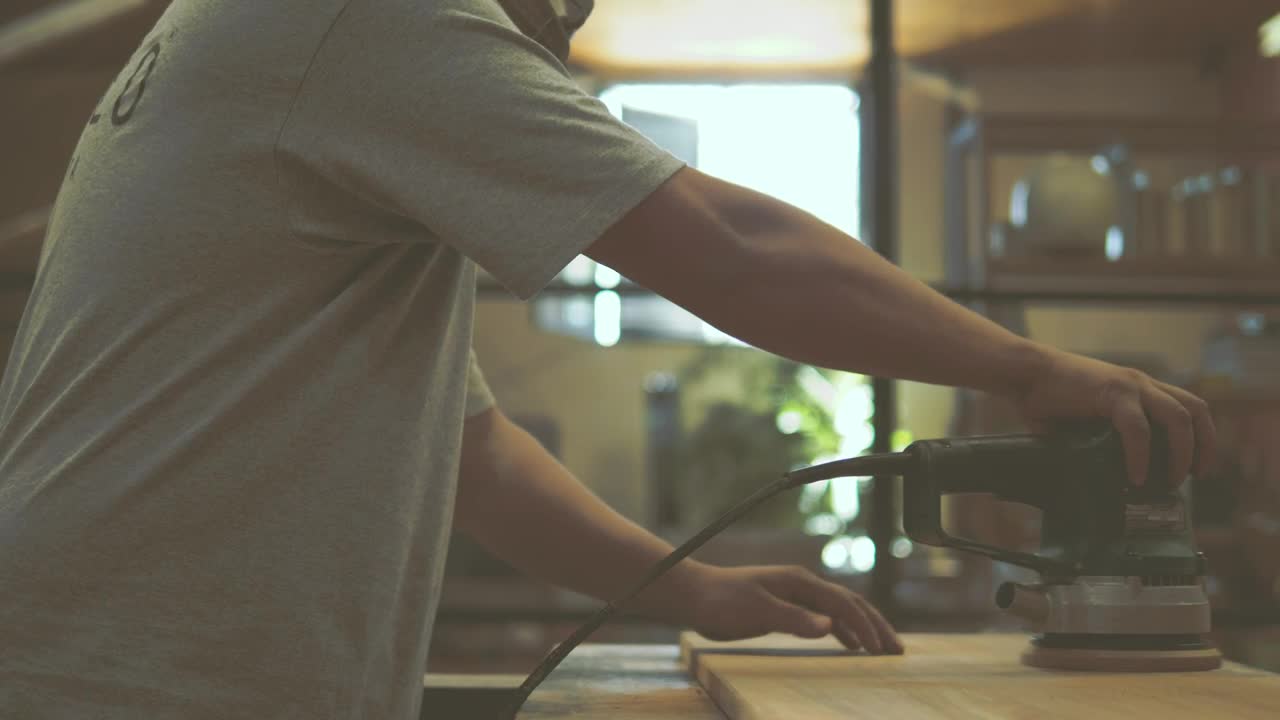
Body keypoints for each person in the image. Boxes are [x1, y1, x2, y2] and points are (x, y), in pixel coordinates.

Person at [0, 0, 1215, 717]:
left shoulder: (286, 48)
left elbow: (470, 457)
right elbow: (727, 246)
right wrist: (1025, 368)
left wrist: (688, 590)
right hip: (138, 684)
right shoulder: (365, 17)